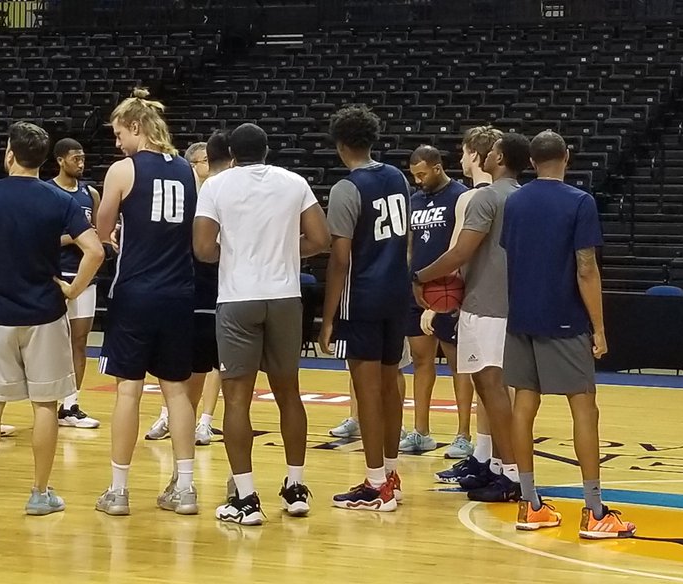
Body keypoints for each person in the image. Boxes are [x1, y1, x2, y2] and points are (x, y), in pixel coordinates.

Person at [0, 122, 104, 519]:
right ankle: (39, 493)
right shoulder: (56, 197)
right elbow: (94, 251)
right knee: (45, 406)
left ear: (9, 153)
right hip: (45, 313)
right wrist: (74, 289)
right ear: (44, 158)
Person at [195, 122, 330, 525]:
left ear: (232, 154)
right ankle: (295, 487)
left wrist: (237, 253)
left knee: (237, 398)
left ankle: (246, 499)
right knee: (290, 393)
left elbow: (203, 249)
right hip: (286, 296)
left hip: (238, 297)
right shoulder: (293, 181)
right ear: (268, 150)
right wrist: (288, 251)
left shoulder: (216, 186)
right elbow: (320, 239)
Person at [505, 131, 636, 539]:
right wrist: (599, 326)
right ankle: (595, 512)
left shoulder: (514, 201)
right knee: (584, 408)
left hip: (521, 317)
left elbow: (512, 254)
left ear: (530, 161)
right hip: (563, 318)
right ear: (568, 157)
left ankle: (530, 505)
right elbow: (586, 268)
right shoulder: (580, 202)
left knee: (523, 406)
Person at [94, 89, 199, 517]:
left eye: (120, 133)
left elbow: (102, 229)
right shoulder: (190, 173)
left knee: (128, 390)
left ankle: (119, 492)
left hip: (136, 291)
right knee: (176, 392)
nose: (117, 143)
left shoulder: (123, 170)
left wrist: (114, 234)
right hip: (179, 292)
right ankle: (186, 488)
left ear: (136, 127)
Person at [414, 132, 532, 503]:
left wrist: (420, 277)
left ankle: (511, 476)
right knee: (490, 392)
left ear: (497, 158)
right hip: (511, 304)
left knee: (494, 393)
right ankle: (498, 466)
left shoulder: (485, 197)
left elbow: (460, 253)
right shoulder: (523, 197)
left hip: (486, 307)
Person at [318, 106, 410, 511]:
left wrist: (329, 316)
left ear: (340, 145)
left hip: (364, 297)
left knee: (368, 392)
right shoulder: (398, 177)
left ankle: (376, 485)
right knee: (390, 388)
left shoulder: (346, 189)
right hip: (396, 294)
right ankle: (390, 473)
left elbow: (340, 259)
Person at [145, 135, 225, 446]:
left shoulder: (219, 194)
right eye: (203, 160)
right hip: (184, 284)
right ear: (193, 165)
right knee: (178, 360)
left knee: (216, 360)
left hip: (215, 284)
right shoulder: (182, 199)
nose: (209, 164)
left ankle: (205, 420)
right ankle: (170, 413)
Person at [434, 126, 502, 485]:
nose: (460, 159)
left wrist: (434, 301)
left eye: (463, 152)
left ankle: (491, 461)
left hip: (475, 301)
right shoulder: (511, 195)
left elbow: (456, 256)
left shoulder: (469, 199)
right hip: (503, 300)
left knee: (486, 385)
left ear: (475, 155)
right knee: (492, 386)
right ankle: (484, 454)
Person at [401, 145, 475, 459]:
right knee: (420, 361)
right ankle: (421, 432)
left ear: (437, 166)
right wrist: (410, 277)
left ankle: (463, 435)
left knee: (459, 364)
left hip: (449, 291)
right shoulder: (414, 201)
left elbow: (462, 246)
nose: (418, 181)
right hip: (417, 290)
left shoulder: (460, 195)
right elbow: (409, 245)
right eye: (414, 175)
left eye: (422, 174)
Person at [46, 137, 101, 429]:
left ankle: (71, 404)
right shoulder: (47, 191)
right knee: (55, 343)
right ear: (60, 160)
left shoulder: (89, 193)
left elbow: (98, 233)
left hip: (84, 276)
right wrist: (75, 237)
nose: (81, 162)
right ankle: (48, 403)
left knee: (79, 342)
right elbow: (43, 238)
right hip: (55, 276)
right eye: (75, 158)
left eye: (83, 157)